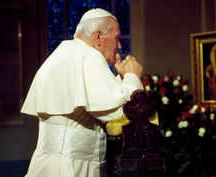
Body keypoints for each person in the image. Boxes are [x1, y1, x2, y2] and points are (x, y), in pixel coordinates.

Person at [21, 8, 143, 177]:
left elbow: (95, 101)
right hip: (72, 167)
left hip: (53, 163)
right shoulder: (89, 56)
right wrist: (132, 76)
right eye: (117, 38)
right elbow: (118, 113)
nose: (120, 45)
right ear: (99, 36)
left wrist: (120, 79)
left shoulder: (66, 52)